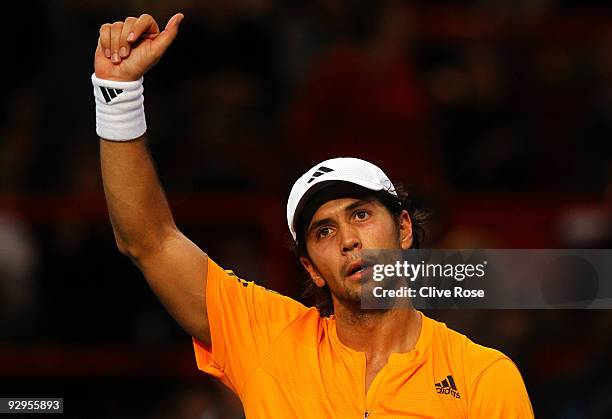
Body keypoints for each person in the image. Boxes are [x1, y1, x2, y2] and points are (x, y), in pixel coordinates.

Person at [93, 13, 534, 418]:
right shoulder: (268, 339)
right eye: (324, 231)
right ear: (311, 268)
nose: (348, 239)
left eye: (361, 215)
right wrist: (119, 95)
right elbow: (148, 240)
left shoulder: (484, 378)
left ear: (403, 229)